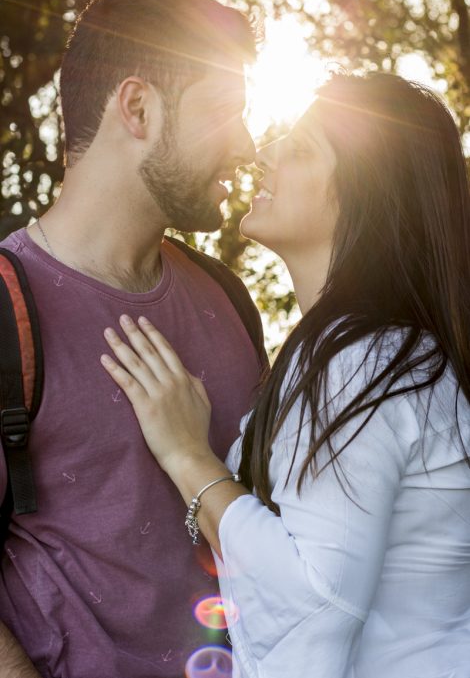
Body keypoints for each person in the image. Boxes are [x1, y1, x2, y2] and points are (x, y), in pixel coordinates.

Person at [101, 72, 470, 678]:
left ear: (366, 196)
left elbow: (313, 600)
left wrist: (189, 458)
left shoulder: (364, 361)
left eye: (299, 150)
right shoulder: (383, 354)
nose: (264, 153)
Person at [0, 0, 266, 678]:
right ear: (139, 108)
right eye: (224, 112)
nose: (245, 144)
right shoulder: (6, 307)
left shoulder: (230, 300)